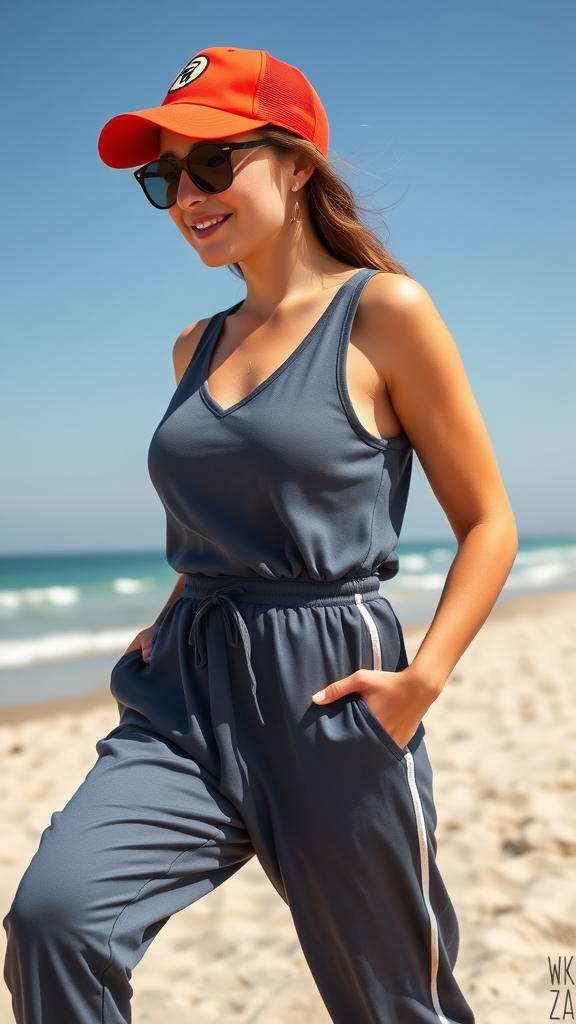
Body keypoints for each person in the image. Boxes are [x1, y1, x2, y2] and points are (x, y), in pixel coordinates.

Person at [3, 46, 517, 1024]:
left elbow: (489, 521)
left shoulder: (383, 314)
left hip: (329, 691)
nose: (185, 195)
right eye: (164, 177)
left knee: (393, 1002)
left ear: (294, 163)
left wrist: (421, 684)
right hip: (183, 692)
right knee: (54, 916)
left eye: (211, 163)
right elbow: (219, 514)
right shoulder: (193, 345)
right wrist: (170, 611)